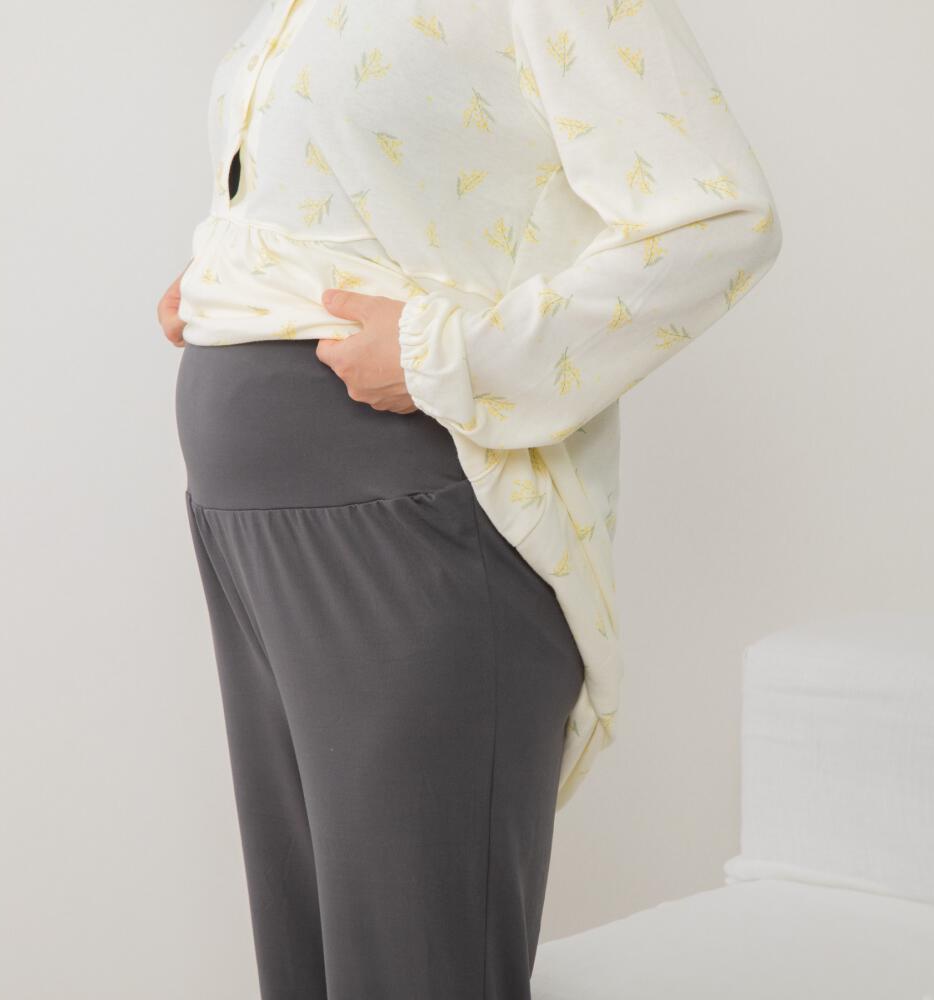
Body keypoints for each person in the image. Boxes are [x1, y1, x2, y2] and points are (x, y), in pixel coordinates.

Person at [157, 1, 782, 996]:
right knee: (309, 962)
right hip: (250, 525)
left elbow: (718, 217)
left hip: (414, 514)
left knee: (414, 966)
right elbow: (378, 196)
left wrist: (457, 355)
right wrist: (231, 277)